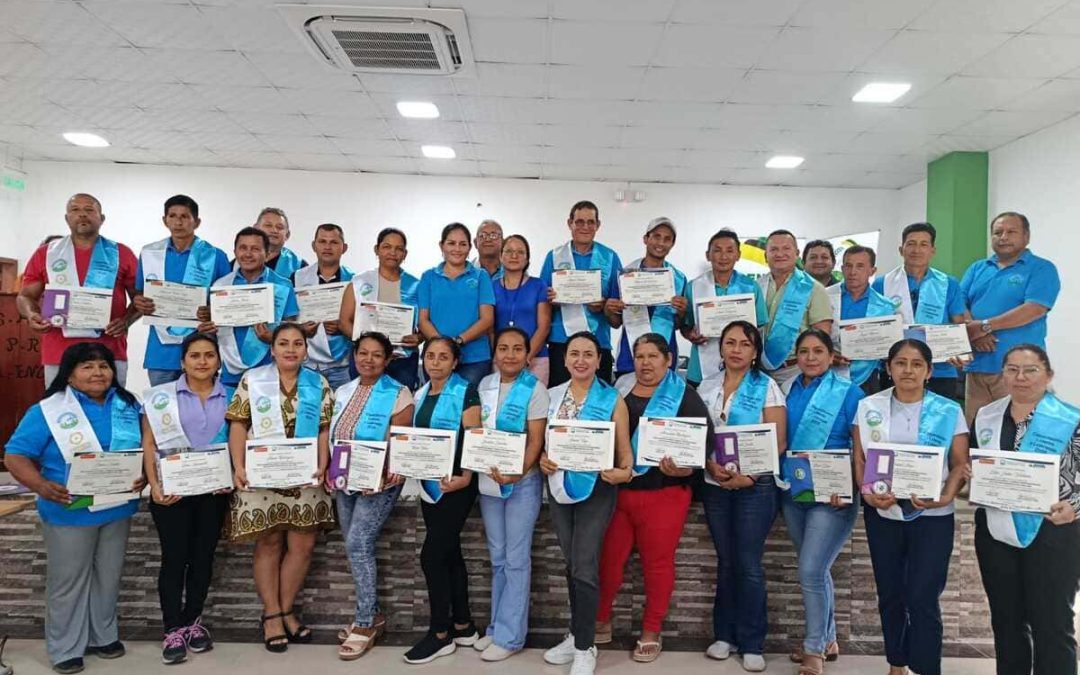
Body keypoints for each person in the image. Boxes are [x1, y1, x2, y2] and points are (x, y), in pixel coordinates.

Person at [4, 343, 145, 674]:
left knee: (108, 578)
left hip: (116, 507)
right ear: (68, 373)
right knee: (69, 580)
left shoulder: (129, 404)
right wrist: (39, 485)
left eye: (103, 366)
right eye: (87, 366)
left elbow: (145, 447)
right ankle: (65, 646)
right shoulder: (48, 410)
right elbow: (15, 455)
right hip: (69, 510)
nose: (97, 372)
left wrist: (143, 475)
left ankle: (103, 636)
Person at [854, 339, 970, 675]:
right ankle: (897, 661)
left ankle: (926, 666)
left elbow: (960, 464)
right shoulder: (869, 406)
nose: (908, 370)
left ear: (929, 371)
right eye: (900, 363)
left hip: (933, 517)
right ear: (888, 369)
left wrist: (946, 496)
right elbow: (859, 458)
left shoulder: (949, 410)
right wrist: (866, 492)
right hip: (883, 512)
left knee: (923, 596)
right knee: (890, 593)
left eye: (917, 364)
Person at [597, 333, 712, 662]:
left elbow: (702, 443)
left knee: (657, 565)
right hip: (619, 493)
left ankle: (651, 630)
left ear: (668, 360)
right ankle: (600, 620)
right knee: (608, 561)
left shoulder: (685, 395)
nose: (645, 363)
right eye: (640, 356)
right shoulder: (618, 389)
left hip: (665, 494)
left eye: (652, 356)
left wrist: (685, 469)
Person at [224, 322, 334, 652]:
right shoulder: (252, 379)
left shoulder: (319, 382)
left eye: (297, 343)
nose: (290, 349)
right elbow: (238, 424)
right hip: (261, 476)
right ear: (271, 349)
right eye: (283, 343)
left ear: (306, 348)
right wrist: (239, 466)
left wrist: (323, 463)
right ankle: (271, 614)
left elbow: (325, 429)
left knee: (303, 546)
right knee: (269, 542)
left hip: (306, 475)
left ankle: (286, 610)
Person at [971, 344, 1080, 675]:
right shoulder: (986, 416)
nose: (1020, 377)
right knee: (1006, 620)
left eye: (1030, 370)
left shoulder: (1071, 419)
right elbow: (980, 471)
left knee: (1052, 621)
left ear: (1048, 374)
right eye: (1012, 369)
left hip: (1054, 530)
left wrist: (1075, 507)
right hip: (996, 529)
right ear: (1003, 374)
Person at [540, 331, 633, 675]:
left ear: (598, 360)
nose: (580, 360)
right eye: (574, 353)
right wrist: (542, 459)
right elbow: (540, 446)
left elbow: (626, 457)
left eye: (588, 354)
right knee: (571, 563)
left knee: (583, 564)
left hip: (597, 488)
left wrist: (623, 473)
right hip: (559, 486)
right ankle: (577, 632)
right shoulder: (548, 397)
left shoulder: (612, 400)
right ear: (564, 360)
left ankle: (585, 646)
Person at [697, 321, 787, 673]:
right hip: (715, 483)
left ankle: (752, 641)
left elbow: (778, 441)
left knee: (748, 563)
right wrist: (708, 464)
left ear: (754, 352)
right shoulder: (705, 388)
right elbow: (696, 435)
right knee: (726, 560)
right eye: (730, 342)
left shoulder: (767, 388)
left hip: (756, 485)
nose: (736, 349)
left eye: (744, 344)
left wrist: (749, 475)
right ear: (721, 348)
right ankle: (724, 635)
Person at [140, 333, 231, 665]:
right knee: (174, 558)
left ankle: (193, 621)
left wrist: (232, 476)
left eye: (209, 355)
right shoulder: (160, 397)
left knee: (203, 558)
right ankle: (171, 629)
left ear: (219, 361)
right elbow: (149, 444)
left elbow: (239, 442)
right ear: (182, 362)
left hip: (214, 490)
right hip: (172, 492)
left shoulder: (233, 396)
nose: (202, 361)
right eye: (195, 356)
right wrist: (154, 485)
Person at [779, 329, 865, 673]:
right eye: (804, 351)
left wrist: (850, 487)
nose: (810, 358)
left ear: (832, 357)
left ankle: (813, 648)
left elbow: (863, 449)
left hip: (834, 496)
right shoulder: (786, 390)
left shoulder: (850, 393)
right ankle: (828, 638)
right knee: (817, 569)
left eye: (818, 351)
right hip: (795, 490)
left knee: (811, 569)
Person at [330, 332, 414, 660]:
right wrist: (327, 468)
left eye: (376, 355)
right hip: (343, 478)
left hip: (379, 481)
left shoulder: (398, 392)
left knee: (358, 543)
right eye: (362, 353)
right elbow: (333, 433)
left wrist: (385, 470)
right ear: (354, 356)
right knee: (353, 544)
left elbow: (399, 439)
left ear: (387, 358)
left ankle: (365, 622)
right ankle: (373, 612)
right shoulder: (343, 391)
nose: (368, 360)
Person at [472, 327, 549, 662]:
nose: (510, 355)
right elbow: (475, 432)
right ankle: (495, 628)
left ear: (527, 354)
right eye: (503, 348)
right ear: (495, 353)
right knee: (498, 557)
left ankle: (511, 636)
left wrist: (519, 471)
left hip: (522, 481)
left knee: (517, 560)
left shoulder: (536, 389)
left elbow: (535, 440)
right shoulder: (484, 385)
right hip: (489, 481)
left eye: (518, 349)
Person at [403, 337, 482, 664]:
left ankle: (439, 633)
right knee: (449, 553)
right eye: (430, 356)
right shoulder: (422, 394)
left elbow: (474, 435)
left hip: (457, 484)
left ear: (455, 362)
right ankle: (463, 625)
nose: (435, 362)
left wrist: (466, 476)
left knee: (431, 556)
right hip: (430, 482)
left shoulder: (466, 392)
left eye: (443, 357)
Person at [17, 193, 139, 387]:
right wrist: (32, 315)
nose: (82, 215)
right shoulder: (46, 253)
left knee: (109, 412)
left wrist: (126, 321)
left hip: (109, 352)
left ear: (102, 218)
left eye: (89, 210)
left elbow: (141, 298)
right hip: (59, 353)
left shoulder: (121, 253)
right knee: (61, 412)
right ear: (67, 218)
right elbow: (25, 296)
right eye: (75, 210)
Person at [961, 212, 1061, 421]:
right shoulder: (977, 268)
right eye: (998, 232)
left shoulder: (1042, 268)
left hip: (1020, 372)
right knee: (978, 435)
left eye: (1011, 232)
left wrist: (985, 326)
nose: (1003, 237)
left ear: (1026, 236)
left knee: (1019, 435)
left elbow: (1034, 309)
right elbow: (959, 304)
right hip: (978, 367)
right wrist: (977, 333)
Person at [133, 195, 231, 386]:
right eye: (173, 216)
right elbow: (140, 292)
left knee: (202, 404)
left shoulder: (215, 256)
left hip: (201, 347)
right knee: (163, 408)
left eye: (185, 216)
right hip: (161, 350)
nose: (178, 222)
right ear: (164, 220)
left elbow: (226, 301)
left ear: (197, 222)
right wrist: (139, 301)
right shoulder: (150, 253)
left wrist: (213, 311)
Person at [872, 222, 968, 400]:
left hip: (940, 370)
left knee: (939, 423)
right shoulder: (881, 283)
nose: (917, 250)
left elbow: (958, 323)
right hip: (897, 369)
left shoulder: (949, 283)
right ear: (901, 250)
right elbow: (875, 325)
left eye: (924, 244)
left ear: (933, 250)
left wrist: (959, 351)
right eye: (911, 244)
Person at [540, 201, 623, 387]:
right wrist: (552, 299)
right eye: (579, 222)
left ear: (598, 225)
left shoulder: (610, 257)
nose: (585, 227)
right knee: (559, 401)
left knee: (597, 402)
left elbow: (617, 308)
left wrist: (605, 306)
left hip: (598, 342)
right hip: (561, 341)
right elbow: (542, 301)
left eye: (590, 222)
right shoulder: (554, 256)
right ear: (570, 223)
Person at [209, 228, 299, 389]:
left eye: (255, 249)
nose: (248, 254)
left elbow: (291, 329)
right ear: (235, 251)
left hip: (271, 372)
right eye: (243, 248)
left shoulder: (282, 285)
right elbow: (214, 329)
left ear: (267, 253)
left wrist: (273, 337)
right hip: (231, 372)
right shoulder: (221, 285)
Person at [339, 227, 423, 391]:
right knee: (362, 404)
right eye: (387, 247)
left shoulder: (416, 285)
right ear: (376, 250)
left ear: (405, 254)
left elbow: (424, 325)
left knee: (399, 406)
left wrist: (419, 338)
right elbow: (344, 322)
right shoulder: (359, 282)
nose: (392, 252)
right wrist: (367, 346)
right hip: (367, 360)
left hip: (402, 360)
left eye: (399, 249)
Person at [681, 229, 768, 387]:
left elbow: (759, 327)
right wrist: (690, 334)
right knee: (700, 411)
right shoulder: (693, 287)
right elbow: (685, 326)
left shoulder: (751, 287)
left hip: (740, 368)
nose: (723, 256)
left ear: (738, 255)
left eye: (730, 251)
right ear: (708, 255)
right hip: (700, 370)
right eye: (717, 251)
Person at [605, 217, 688, 379]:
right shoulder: (625, 275)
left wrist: (682, 312)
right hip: (630, 357)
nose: (661, 243)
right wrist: (608, 310)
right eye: (656, 236)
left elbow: (677, 324)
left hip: (664, 358)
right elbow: (615, 322)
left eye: (667, 239)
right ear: (646, 239)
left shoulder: (678, 279)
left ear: (672, 244)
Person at [417, 223, 496, 387]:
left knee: (466, 407)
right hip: (436, 358)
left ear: (469, 248)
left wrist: (458, 341)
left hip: (475, 358)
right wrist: (443, 348)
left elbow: (487, 319)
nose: (457, 249)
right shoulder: (428, 277)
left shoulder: (481, 276)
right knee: (438, 406)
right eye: (451, 243)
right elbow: (423, 320)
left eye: (463, 244)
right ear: (442, 246)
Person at [760, 230, 833, 386]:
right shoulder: (756, 287)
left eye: (786, 248)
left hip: (797, 371)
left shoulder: (813, 289)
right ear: (765, 255)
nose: (780, 254)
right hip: (759, 370)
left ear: (797, 253)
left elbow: (822, 337)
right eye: (774, 249)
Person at [292, 223, 354, 390]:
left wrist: (344, 326)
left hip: (342, 366)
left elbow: (364, 321)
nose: (327, 247)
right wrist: (300, 329)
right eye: (322, 241)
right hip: (306, 364)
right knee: (307, 413)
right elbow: (285, 320)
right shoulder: (297, 278)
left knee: (340, 414)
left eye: (334, 242)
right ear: (314, 246)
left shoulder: (356, 280)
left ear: (344, 247)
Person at [830, 245, 896, 394]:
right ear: (842, 268)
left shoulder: (886, 307)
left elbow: (890, 347)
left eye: (860, 266)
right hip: (828, 373)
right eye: (848, 265)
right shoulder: (825, 296)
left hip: (868, 377)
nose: (853, 272)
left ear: (872, 271)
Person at [493, 234, 551, 385]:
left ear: (527, 259)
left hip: (535, 359)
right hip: (501, 360)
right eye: (509, 251)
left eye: (520, 252)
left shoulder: (539, 285)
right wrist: (498, 356)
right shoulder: (491, 287)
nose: (514, 256)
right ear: (500, 256)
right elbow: (489, 327)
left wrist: (525, 357)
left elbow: (543, 327)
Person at [252, 207, 307, 281]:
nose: (274, 230)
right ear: (255, 229)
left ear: (287, 235)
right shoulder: (239, 263)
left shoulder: (300, 267)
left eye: (279, 227)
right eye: (268, 225)